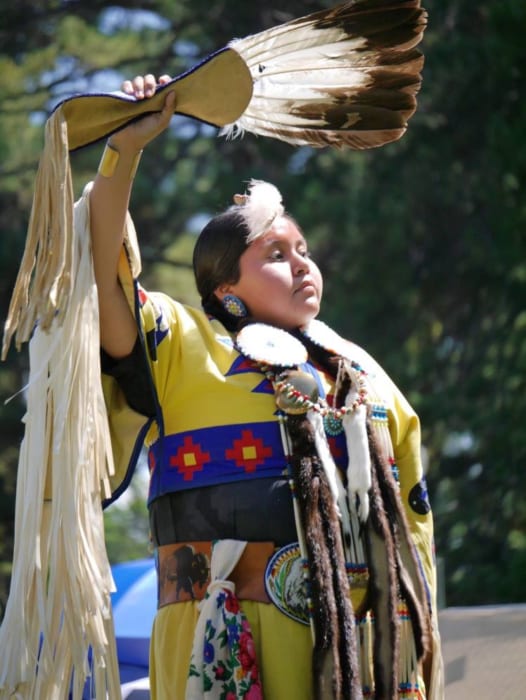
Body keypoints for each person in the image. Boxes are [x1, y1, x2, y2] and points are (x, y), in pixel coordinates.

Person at [88, 74, 443, 700]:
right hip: (226, 642)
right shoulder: (182, 342)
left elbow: (411, 532)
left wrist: (407, 652)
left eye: (304, 248)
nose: (303, 263)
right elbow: (103, 276)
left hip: (357, 651)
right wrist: (125, 152)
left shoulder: (362, 375)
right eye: (276, 253)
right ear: (226, 288)